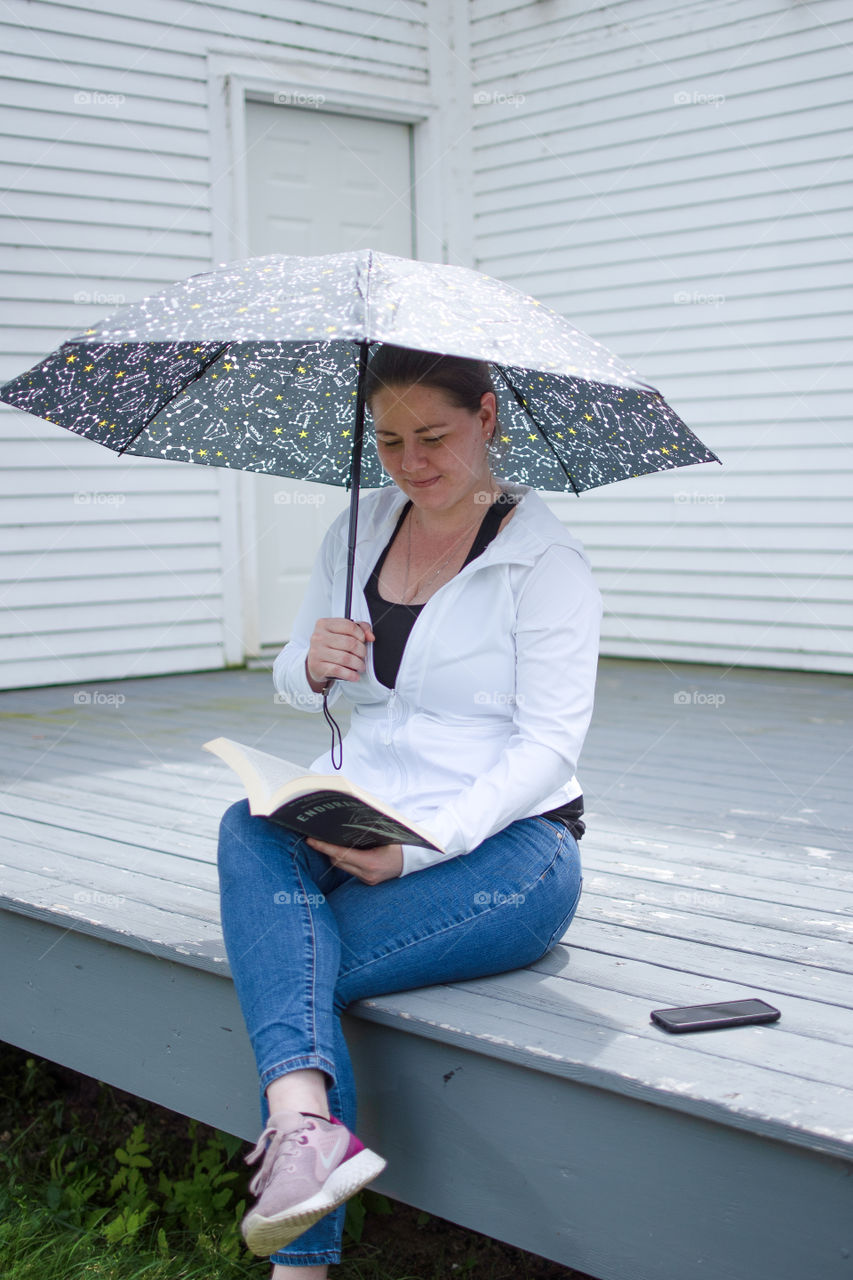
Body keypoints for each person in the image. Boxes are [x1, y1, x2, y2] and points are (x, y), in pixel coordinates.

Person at [216, 344, 603, 1278]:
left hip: (508, 851)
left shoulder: (543, 563)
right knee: (244, 824)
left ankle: (299, 1251)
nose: (410, 463)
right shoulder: (358, 526)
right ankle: (308, 1128)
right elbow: (293, 677)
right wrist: (309, 664)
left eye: (432, 437)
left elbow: (548, 747)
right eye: (387, 441)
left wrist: (419, 854)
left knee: (293, 964)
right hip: (361, 813)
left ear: (487, 417)